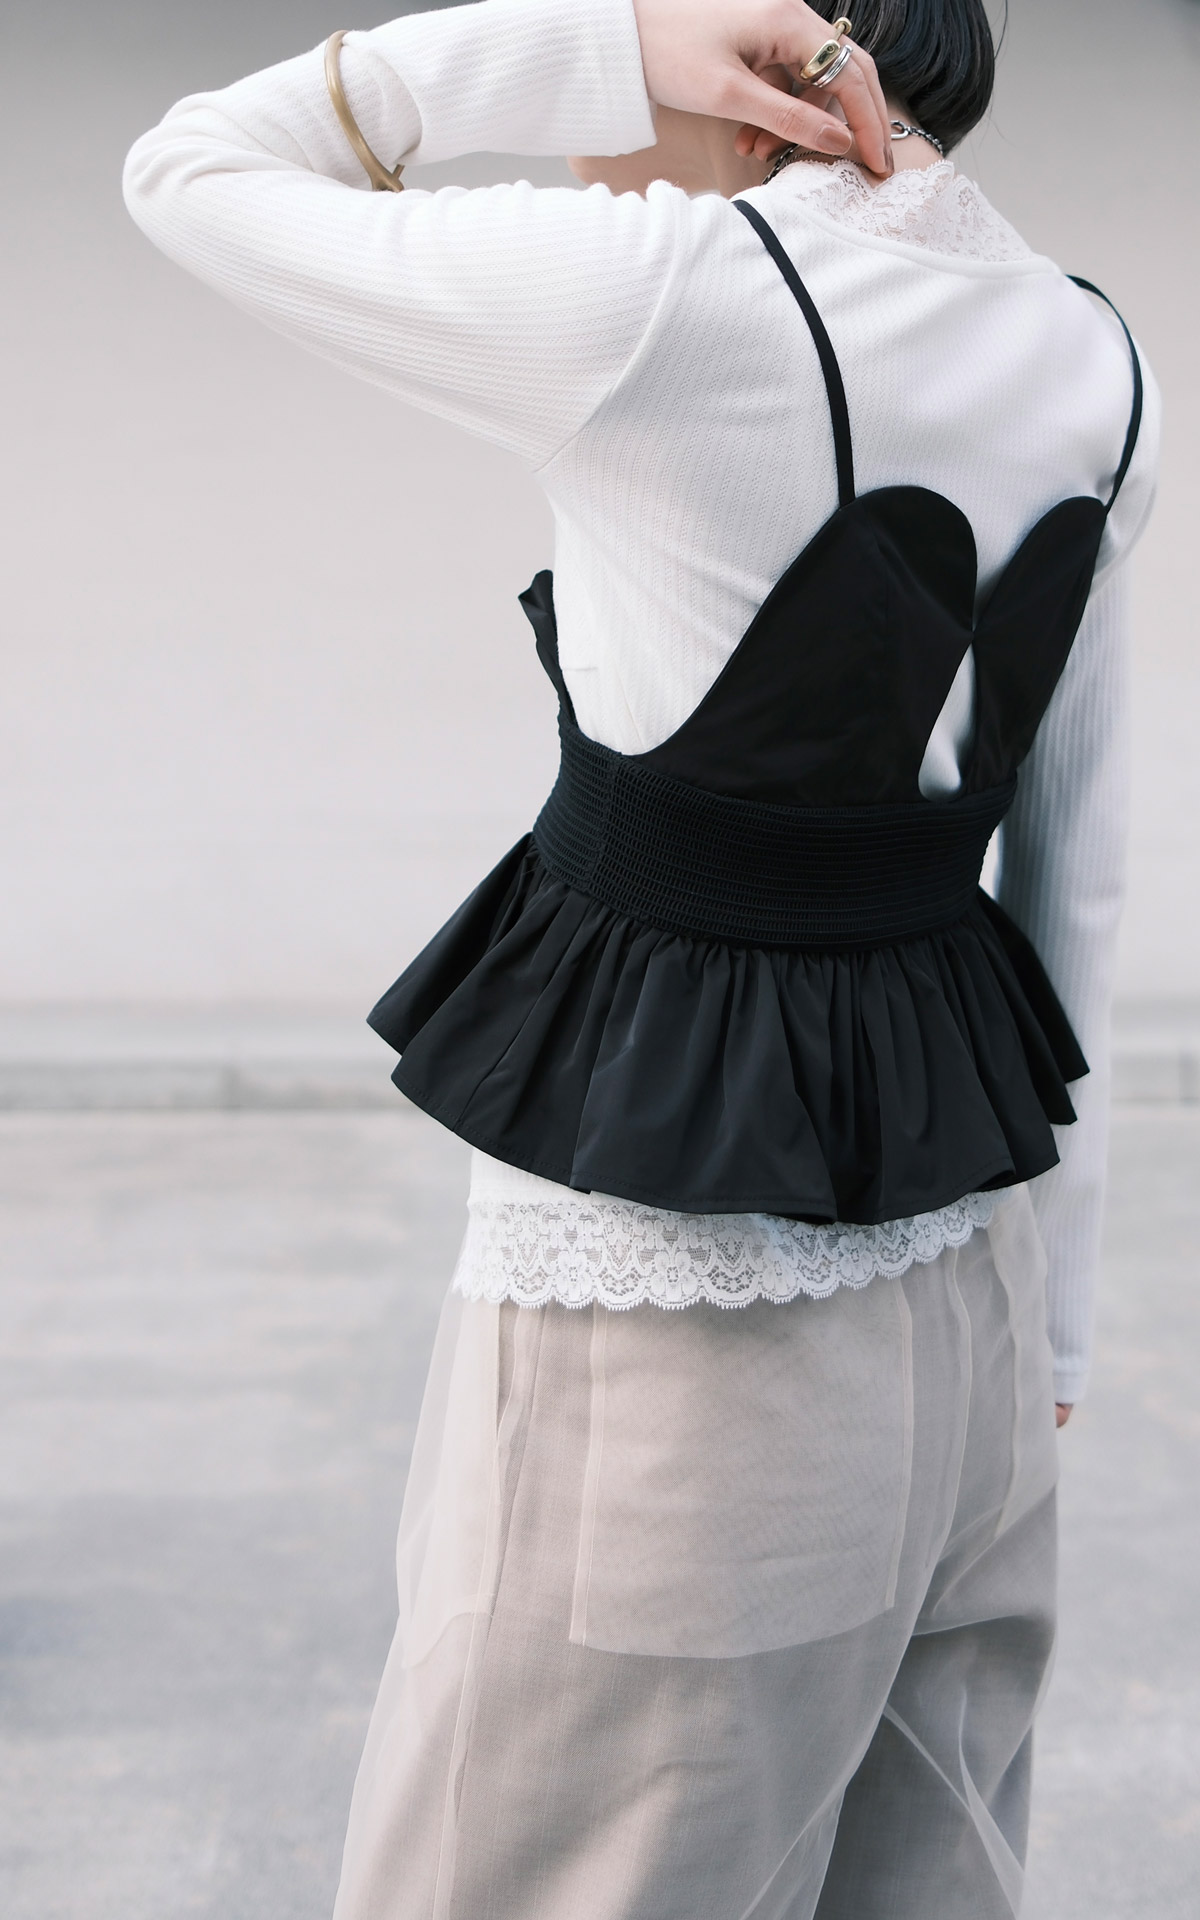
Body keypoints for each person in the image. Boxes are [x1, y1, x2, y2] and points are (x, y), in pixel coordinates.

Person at [124, 1, 1159, 1913]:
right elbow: (1072, 870)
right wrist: (1066, 1324)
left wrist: (591, 50)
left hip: (684, 1344)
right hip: (980, 1325)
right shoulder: (1097, 349)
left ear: (772, 61)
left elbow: (188, 167)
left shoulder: (666, 297)